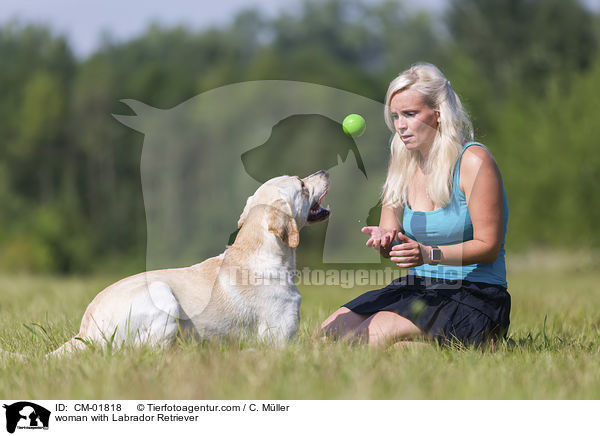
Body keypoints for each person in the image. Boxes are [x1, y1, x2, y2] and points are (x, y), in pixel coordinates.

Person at [318, 63, 510, 348]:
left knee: (367, 339)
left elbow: (488, 245)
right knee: (327, 335)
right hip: (421, 287)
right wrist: (385, 240)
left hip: (476, 294)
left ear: (438, 114)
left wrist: (428, 253)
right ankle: (427, 345)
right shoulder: (403, 161)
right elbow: (390, 232)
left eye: (410, 114)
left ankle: (481, 340)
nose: (400, 126)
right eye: (395, 116)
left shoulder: (474, 161)